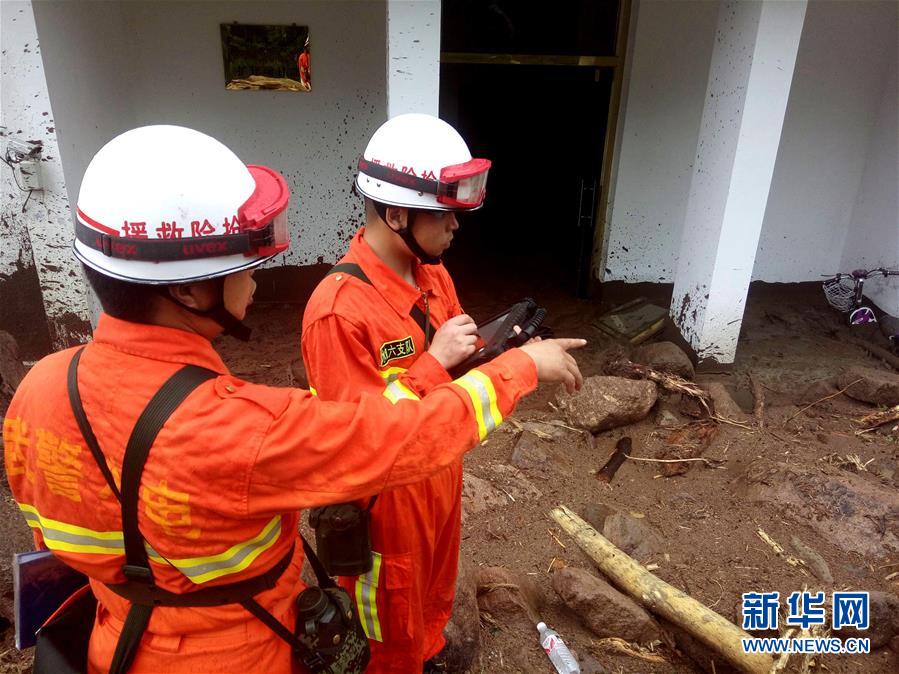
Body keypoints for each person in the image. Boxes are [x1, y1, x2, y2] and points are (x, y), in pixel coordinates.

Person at [3, 124, 584, 674]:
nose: (257, 281)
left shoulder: (39, 391)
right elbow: (390, 440)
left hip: (118, 640)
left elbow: (54, 544)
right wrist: (519, 368)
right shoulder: (241, 425)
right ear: (189, 290)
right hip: (237, 654)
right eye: (245, 266)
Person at [301, 113, 544, 672]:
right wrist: (434, 364)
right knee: (387, 623)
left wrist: (501, 350)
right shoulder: (338, 311)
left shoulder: (432, 274)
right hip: (384, 506)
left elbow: (459, 363)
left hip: (439, 472)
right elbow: (358, 441)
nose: (456, 226)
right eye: (444, 214)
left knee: (431, 596)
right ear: (396, 214)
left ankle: (428, 654)